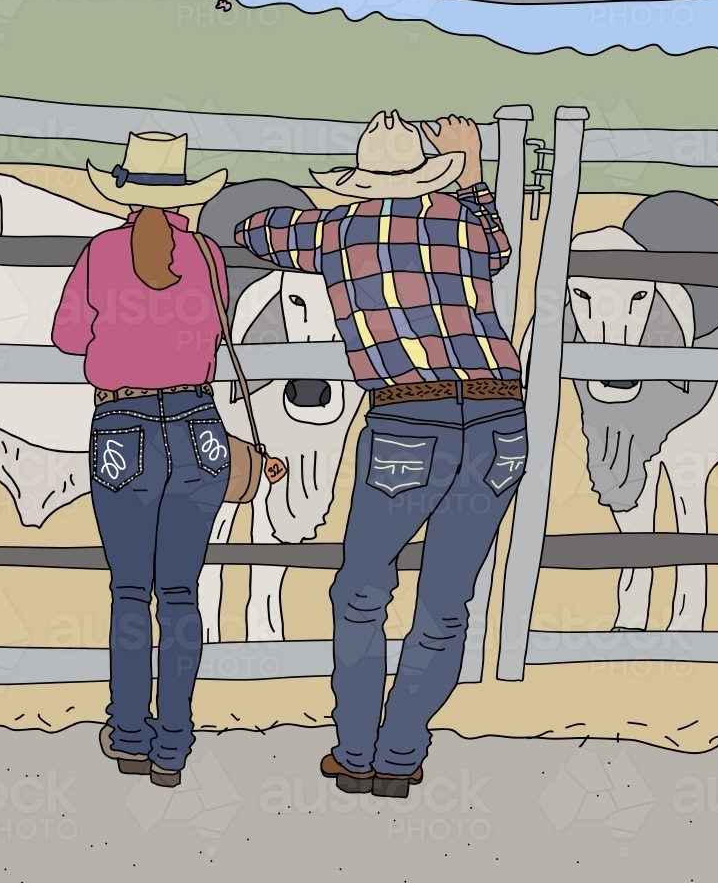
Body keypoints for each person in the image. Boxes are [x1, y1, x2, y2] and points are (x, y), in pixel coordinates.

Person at [235, 110, 527, 798]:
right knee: (447, 601)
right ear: (431, 178)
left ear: (359, 182)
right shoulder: (461, 221)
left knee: (363, 591)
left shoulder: (336, 230)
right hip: (501, 415)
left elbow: (254, 229)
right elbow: (499, 248)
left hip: (410, 415)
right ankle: (400, 755)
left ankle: (356, 750)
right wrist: (471, 173)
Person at [52, 131, 231, 788]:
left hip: (123, 426)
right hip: (198, 425)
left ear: (125, 192)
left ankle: (130, 733)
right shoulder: (208, 254)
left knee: (130, 592)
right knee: (180, 594)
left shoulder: (101, 252)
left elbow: (67, 335)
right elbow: (218, 330)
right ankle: (174, 743)